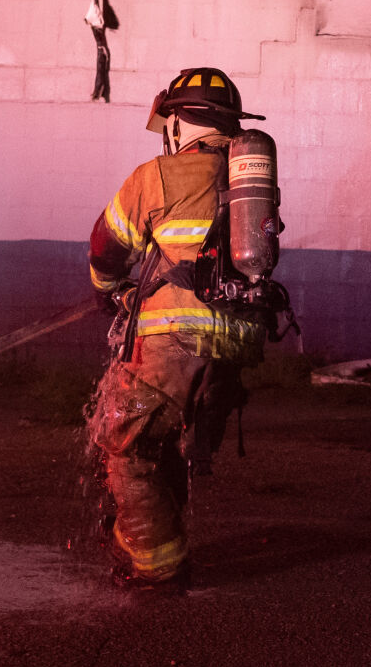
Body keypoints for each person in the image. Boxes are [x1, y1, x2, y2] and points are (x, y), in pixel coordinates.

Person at [86, 67, 270, 589]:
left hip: (173, 344)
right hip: (232, 353)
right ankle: (143, 534)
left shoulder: (157, 177)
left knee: (124, 444)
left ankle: (157, 565)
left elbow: (105, 247)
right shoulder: (246, 185)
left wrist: (107, 289)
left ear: (177, 123)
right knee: (163, 445)